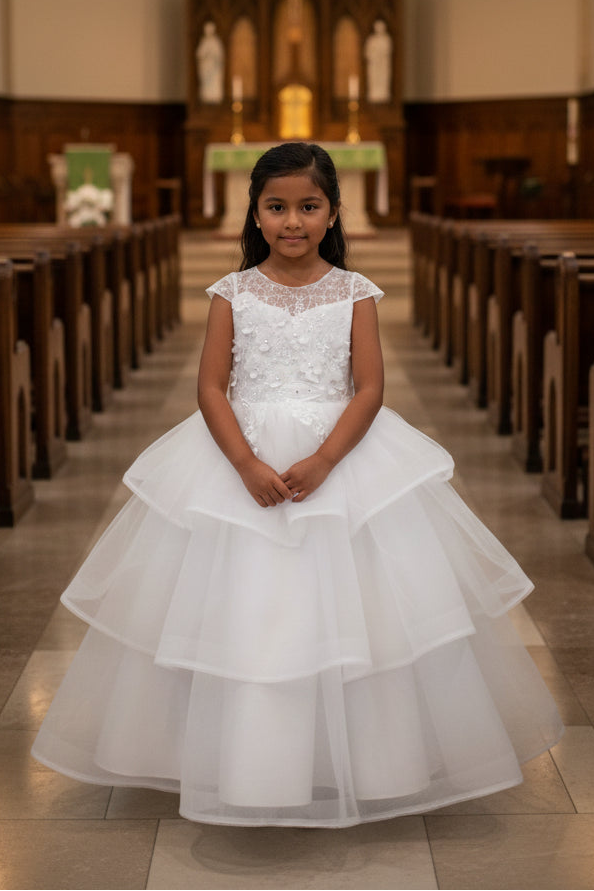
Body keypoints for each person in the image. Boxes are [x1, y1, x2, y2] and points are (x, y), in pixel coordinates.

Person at [31, 143, 564, 829]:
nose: (292, 222)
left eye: (308, 207)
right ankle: (249, 766)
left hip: (340, 460)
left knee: (359, 616)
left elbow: (369, 389)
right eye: (276, 207)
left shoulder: (354, 292)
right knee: (245, 612)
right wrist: (247, 463)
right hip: (238, 459)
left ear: (333, 211)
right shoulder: (233, 292)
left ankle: (377, 761)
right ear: (255, 212)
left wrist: (326, 459)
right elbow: (209, 386)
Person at [196, 21, 224, 104]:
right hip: (206, 67)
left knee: (214, 83)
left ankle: (214, 97)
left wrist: (212, 55)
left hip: (214, 68)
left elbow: (220, 55)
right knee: (206, 86)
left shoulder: (216, 42)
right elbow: (199, 54)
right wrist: (206, 56)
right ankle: (206, 97)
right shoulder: (204, 41)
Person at [364, 20, 392, 103]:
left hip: (383, 64)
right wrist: (374, 55)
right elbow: (367, 53)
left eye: (381, 28)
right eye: (377, 28)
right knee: (373, 79)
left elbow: (388, 51)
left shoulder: (387, 39)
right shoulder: (372, 40)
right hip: (374, 64)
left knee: (383, 79)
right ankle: (374, 92)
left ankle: (383, 92)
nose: (379, 29)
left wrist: (380, 55)